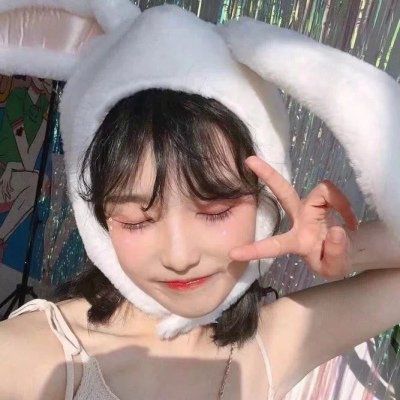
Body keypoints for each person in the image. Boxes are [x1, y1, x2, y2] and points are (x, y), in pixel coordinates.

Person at [0, 2, 399, 400]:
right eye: (137, 220)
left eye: (216, 211)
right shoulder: (41, 358)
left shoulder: (272, 345)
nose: (180, 256)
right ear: (99, 221)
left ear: (263, 204)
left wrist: (341, 248)